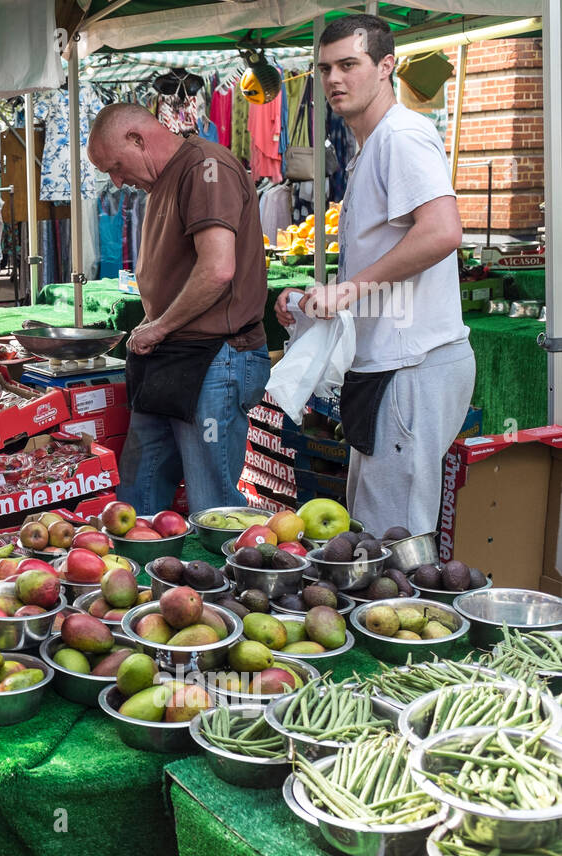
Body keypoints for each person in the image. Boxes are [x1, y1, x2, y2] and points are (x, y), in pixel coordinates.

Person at [275, 14, 472, 535]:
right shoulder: (370, 146)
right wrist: (312, 299)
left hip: (412, 367)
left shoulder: (402, 136)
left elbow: (442, 232)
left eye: (349, 64)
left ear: (386, 66)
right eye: (325, 68)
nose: (335, 79)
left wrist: (348, 289)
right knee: (373, 530)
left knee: (395, 539)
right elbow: (378, 260)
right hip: (388, 366)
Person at [87, 103, 270, 512]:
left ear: (138, 138)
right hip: (171, 355)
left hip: (215, 357)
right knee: (138, 493)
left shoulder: (206, 167)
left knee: (213, 507)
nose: (117, 181)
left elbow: (218, 268)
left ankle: (224, 574)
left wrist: (159, 325)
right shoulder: (162, 180)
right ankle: (142, 572)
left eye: (116, 166)